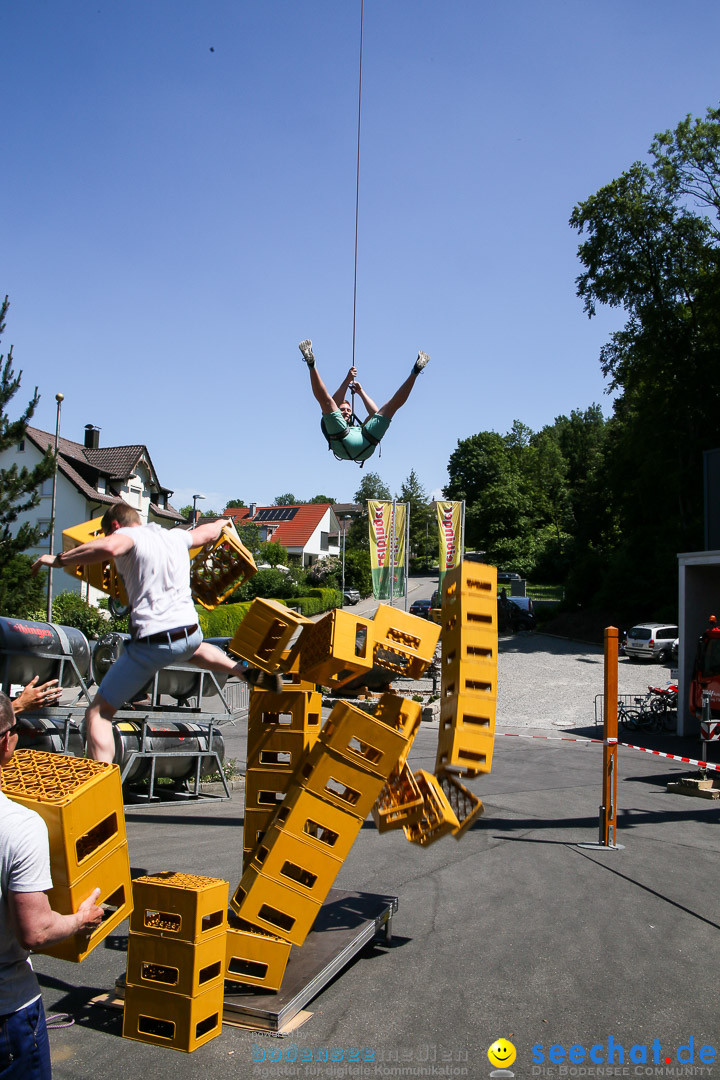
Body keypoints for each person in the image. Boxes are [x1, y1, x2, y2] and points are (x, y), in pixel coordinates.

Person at [31, 503, 280, 763]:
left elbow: (108, 548)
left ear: (115, 526)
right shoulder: (174, 536)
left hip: (153, 643)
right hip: (190, 632)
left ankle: (103, 789)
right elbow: (206, 533)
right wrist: (222, 524)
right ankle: (240, 670)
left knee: (98, 714)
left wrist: (59, 560)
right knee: (192, 650)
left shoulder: (124, 537)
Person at [0, 691, 104, 1079]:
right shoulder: (18, 826)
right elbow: (36, 931)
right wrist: (81, 919)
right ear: (10, 743)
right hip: (7, 1012)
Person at [299, 339, 429, 463]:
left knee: (390, 407)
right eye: (343, 409)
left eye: (348, 410)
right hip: (345, 440)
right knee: (326, 402)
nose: (346, 412)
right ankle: (311, 364)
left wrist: (361, 392)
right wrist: (348, 379)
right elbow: (330, 402)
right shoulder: (330, 423)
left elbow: (375, 413)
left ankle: (416, 370)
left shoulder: (358, 428)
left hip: (364, 443)